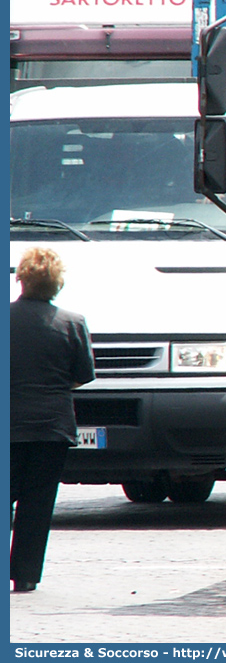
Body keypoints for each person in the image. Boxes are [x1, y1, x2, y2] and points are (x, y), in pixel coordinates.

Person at [10, 247, 95, 593]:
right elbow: (84, 374)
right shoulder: (72, 323)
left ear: (21, 280)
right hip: (52, 427)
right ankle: (26, 574)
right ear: (57, 284)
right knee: (38, 502)